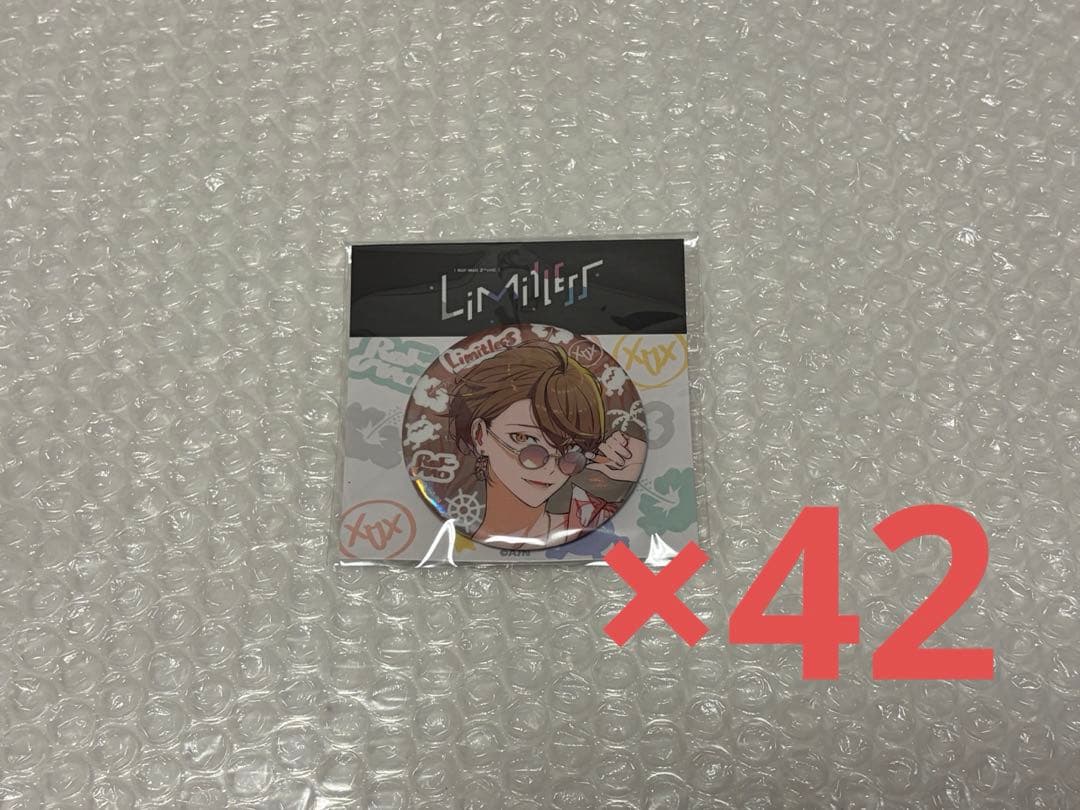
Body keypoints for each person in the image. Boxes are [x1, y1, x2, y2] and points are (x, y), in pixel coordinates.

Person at [447, 340, 645, 548]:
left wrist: (640, 471)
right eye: (524, 438)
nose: (550, 467)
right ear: (480, 435)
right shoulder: (444, 543)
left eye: (569, 449)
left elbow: (642, 567)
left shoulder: (592, 522)